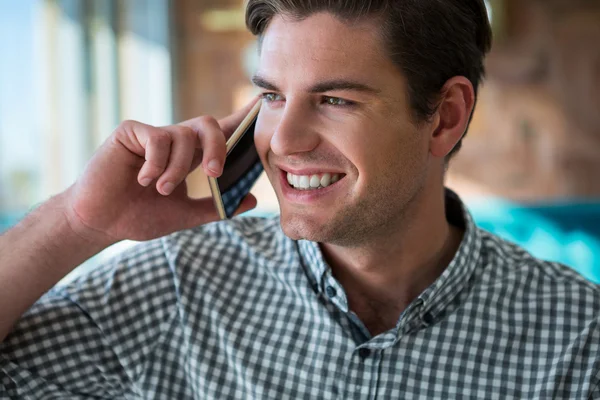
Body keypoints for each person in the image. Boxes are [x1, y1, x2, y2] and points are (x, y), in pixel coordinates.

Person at [1, 0, 599, 398]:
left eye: (336, 100)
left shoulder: (579, 340)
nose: (282, 142)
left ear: (445, 117)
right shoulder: (178, 286)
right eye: (271, 96)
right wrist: (77, 221)